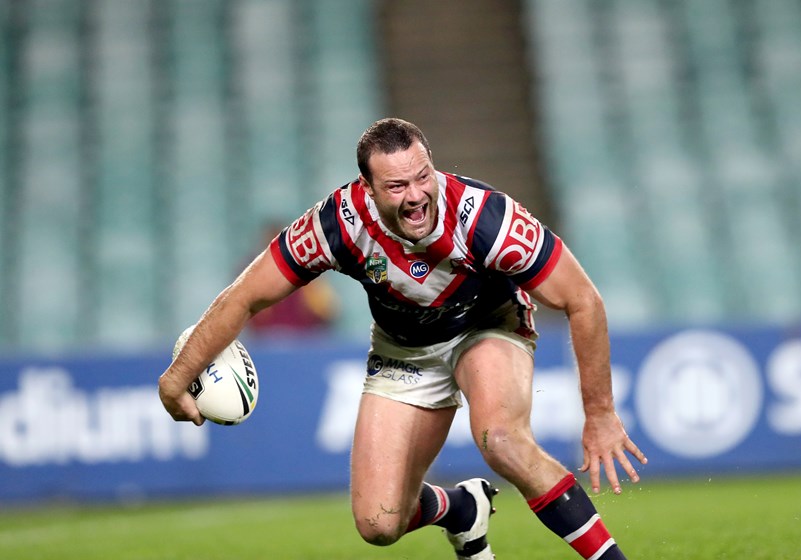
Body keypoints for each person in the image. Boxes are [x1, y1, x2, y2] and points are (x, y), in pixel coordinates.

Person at [159, 117, 647, 559]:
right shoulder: (337, 225)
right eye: (396, 186)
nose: (415, 195)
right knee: (378, 523)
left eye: (422, 177)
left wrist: (600, 413)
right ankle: (459, 509)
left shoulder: (488, 220)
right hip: (403, 349)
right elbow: (245, 295)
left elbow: (585, 301)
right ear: (368, 191)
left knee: (501, 439)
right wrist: (176, 379)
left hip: (486, 325)